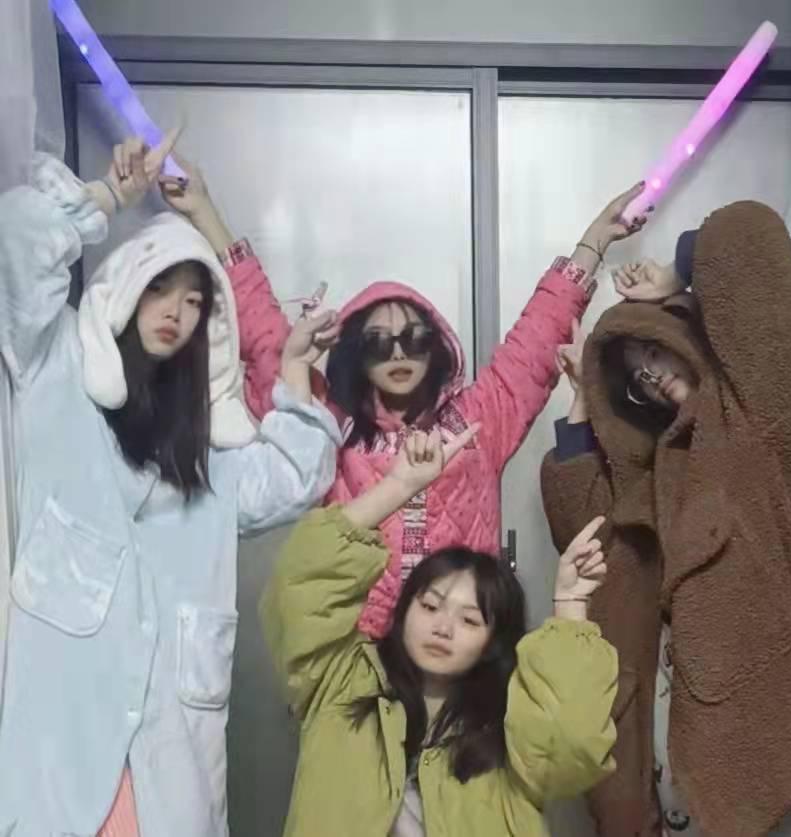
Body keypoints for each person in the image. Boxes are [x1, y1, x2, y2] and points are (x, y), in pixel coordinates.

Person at [0, 137, 340, 836]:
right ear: (125, 285)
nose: (174, 312)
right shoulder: (56, 376)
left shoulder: (203, 468)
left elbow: (295, 475)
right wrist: (107, 197)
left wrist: (294, 371)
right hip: (58, 767)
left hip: (169, 779)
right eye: (159, 287)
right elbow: (15, 243)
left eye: (193, 302)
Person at [159, 159, 649, 639]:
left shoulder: (477, 421)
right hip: (356, 656)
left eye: (414, 339)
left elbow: (536, 340)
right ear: (356, 354)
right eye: (378, 342)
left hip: (462, 656)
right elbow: (266, 338)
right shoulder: (326, 424)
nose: (398, 353)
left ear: (436, 348)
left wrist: (594, 241)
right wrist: (204, 212)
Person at [542, 201, 791, 836]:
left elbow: (750, 239)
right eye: (633, 377)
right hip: (671, 789)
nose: (650, 375)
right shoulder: (653, 477)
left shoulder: (758, 424)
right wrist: (584, 402)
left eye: (653, 351)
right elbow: (583, 535)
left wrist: (679, 271)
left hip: (775, 778)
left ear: (689, 335)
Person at [260, 423, 619, 836]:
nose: (443, 627)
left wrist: (570, 604)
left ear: (493, 641)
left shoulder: (515, 719)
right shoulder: (341, 679)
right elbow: (301, 585)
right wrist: (398, 487)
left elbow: (572, 748)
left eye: (469, 620)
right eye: (430, 606)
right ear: (404, 610)